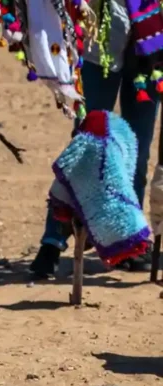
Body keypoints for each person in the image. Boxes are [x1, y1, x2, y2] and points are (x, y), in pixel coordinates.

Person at [30, 0, 160, 279]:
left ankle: (128, 242)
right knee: (85, 143)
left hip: (152, 42)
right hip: (98, 39)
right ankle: (53, 242)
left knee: (137, 150)